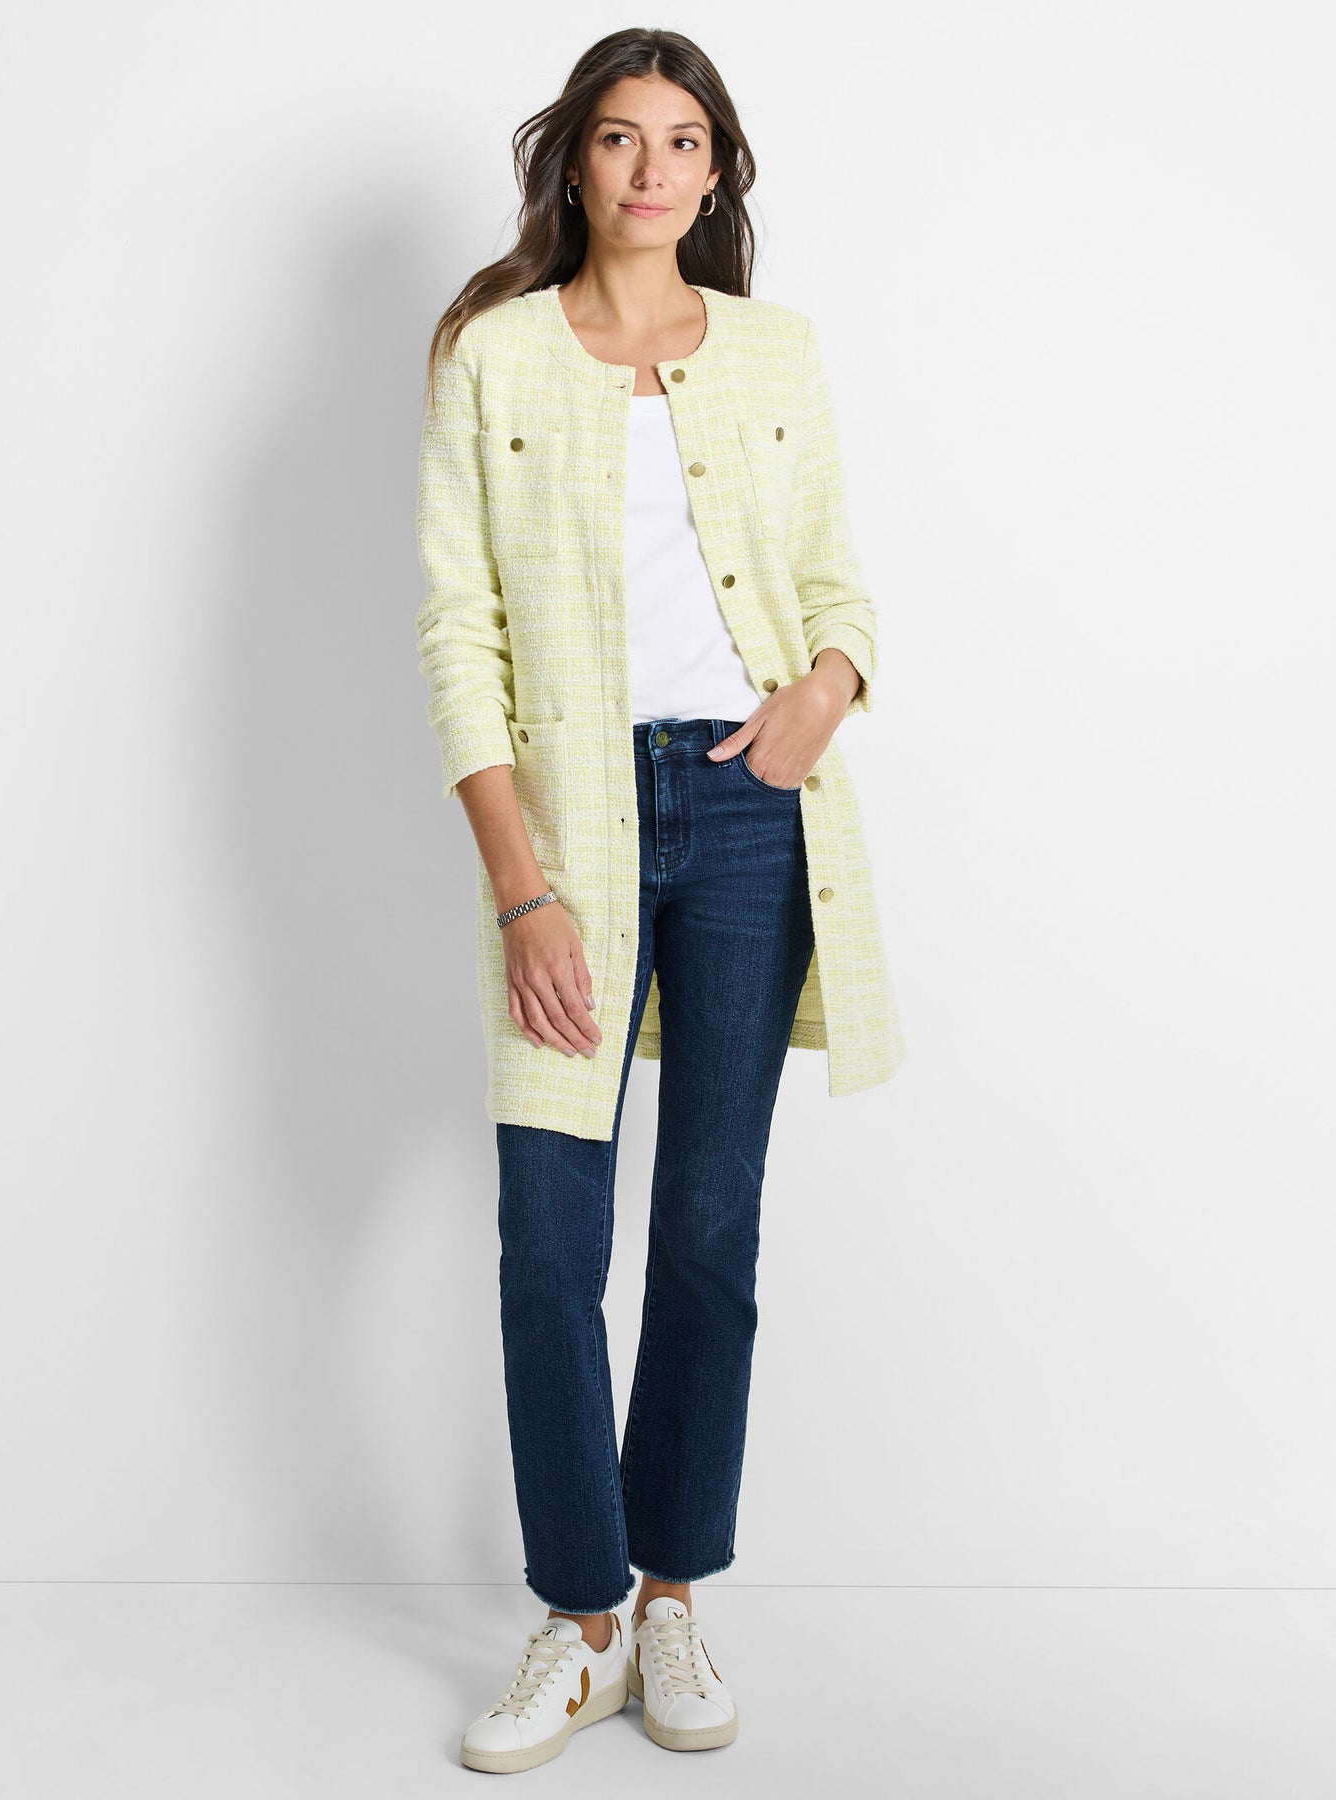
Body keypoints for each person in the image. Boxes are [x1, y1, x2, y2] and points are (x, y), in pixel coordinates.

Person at [414, 26, 906, 1776]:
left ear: (716, 170)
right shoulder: (493, 353)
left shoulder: (776, 348)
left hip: (749, 810)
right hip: (570, 832)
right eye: (618, 137)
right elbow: (457, 631)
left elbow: (839, 580)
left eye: (680, 140)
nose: (648, 168)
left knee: (707, 1225)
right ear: (576, 161)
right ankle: (580, 1617)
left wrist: (821, 695)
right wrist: (523, 889)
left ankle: (672, 1592)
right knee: (549, 1242)